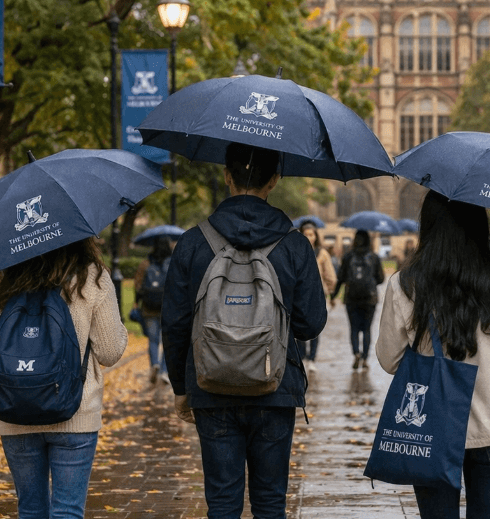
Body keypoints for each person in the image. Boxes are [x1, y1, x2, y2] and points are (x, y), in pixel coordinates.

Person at [162, 142, 327, 519]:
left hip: (209, 387)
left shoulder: (192, 242)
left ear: (226, 175)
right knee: (270, 503)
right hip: (275, 387)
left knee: (222, 503)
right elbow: (311, 322)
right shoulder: (295, 245)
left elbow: (173, 323)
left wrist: (180, 388)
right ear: (274, 180)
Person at [376, 192, 490, 519]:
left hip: (430, 426)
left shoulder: (405, 284)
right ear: (479, 226)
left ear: (428, 226)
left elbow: (389, 360)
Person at [0, 238, 128, 518]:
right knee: (67, 511)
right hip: (75, 412)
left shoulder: (6, 277)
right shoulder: (91, 275)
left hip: (14, 408)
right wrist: (122, 332)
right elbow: (109, 351)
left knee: (30, 510)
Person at [330, 229, 385, 369]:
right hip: (370, 299)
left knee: (354, 328)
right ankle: (365, 358)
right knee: (367, 329)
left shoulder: (348, 257)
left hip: (351, 298)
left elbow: (341, 278)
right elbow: (381, 279)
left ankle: (356, 354)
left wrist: (333, 295)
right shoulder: (374, 257)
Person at [299, 220, 337, 373]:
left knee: (314, 329)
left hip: (316, 297)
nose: (309, 237)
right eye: (306, 234)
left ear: (316, 236)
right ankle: (303, 357)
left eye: (311, 234)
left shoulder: (322, 253)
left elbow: (331, 277)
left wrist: (329, 291)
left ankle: (311, 358)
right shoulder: (296, 251)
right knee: (299, 328)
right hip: (300, 296)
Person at [134, 237, 172, 385]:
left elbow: (138, 285)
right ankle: (164, 371)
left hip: (149, 308)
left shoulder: (145, 264)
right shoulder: (173, 263)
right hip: (167, 308)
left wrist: (137, 302)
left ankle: (154, 364)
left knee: (153, 339)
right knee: (167, 340)